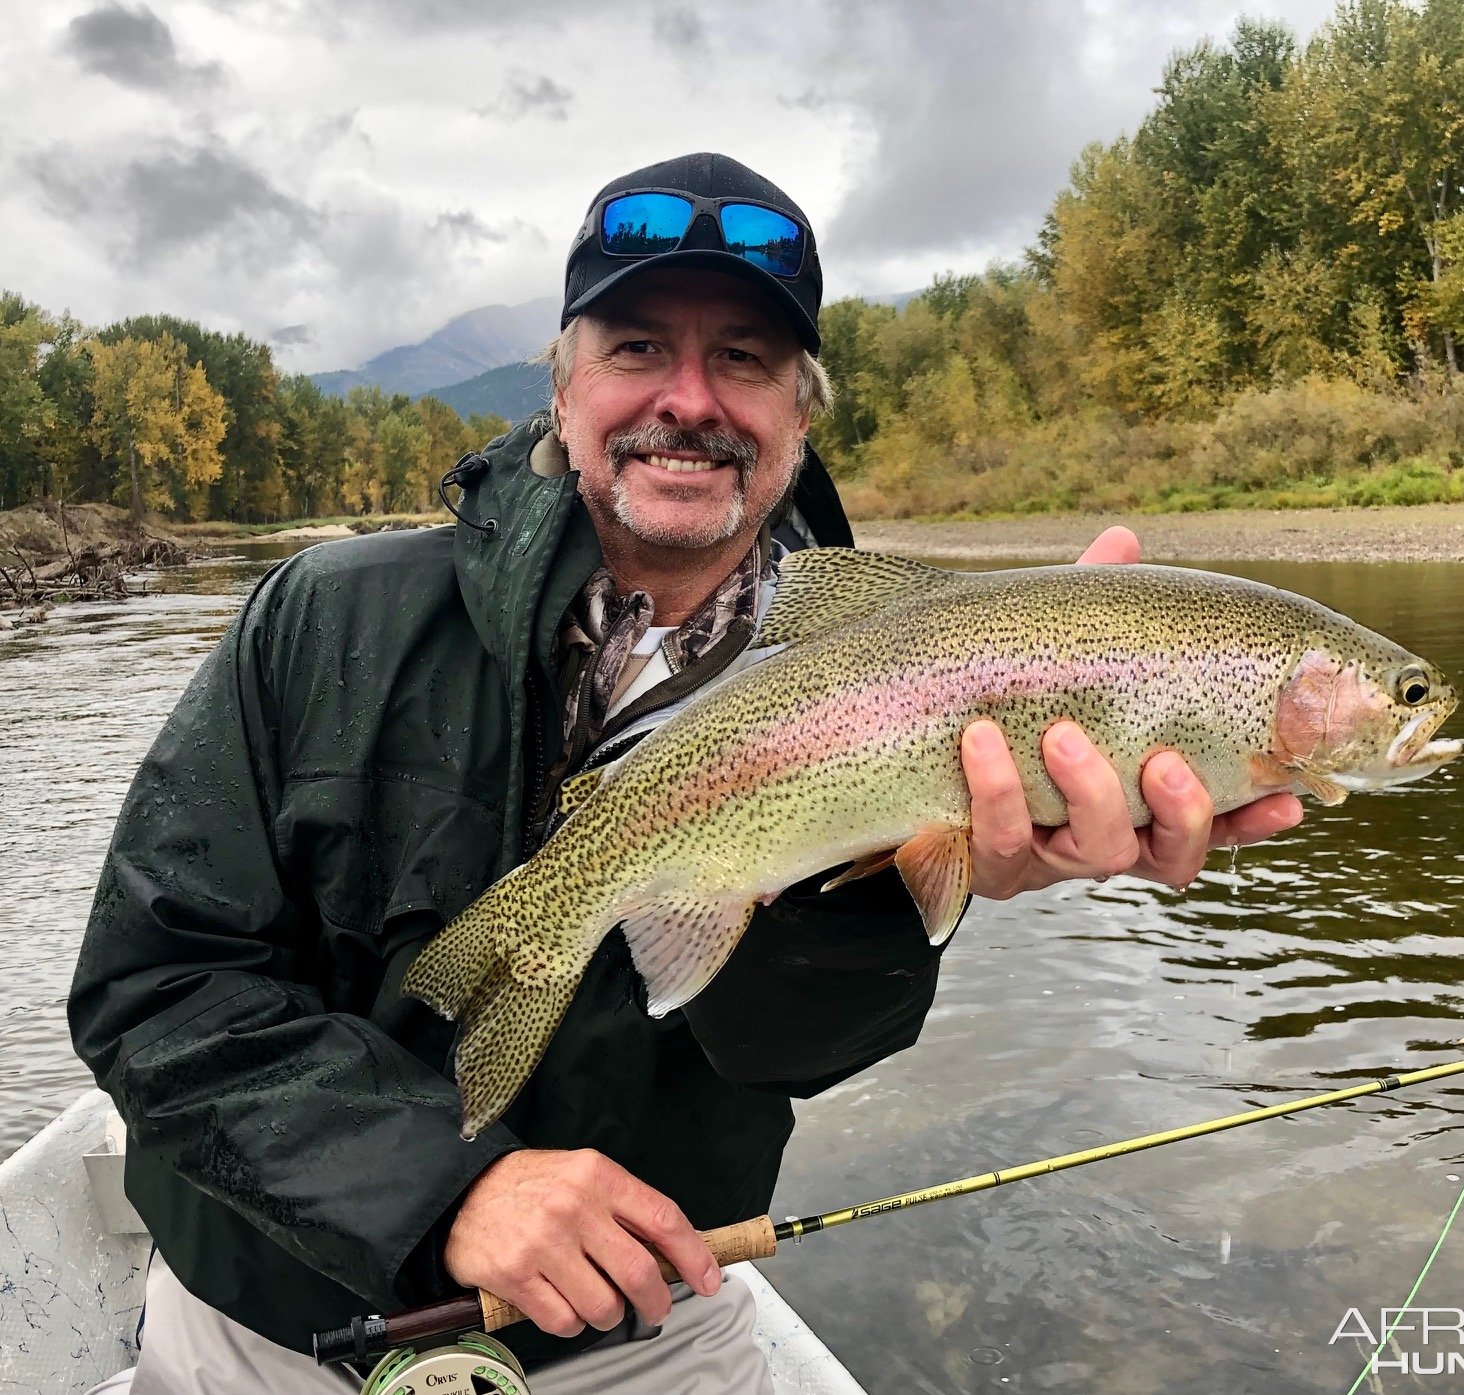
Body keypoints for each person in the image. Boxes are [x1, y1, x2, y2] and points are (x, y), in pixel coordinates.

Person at [67, 152, 1301, 1393]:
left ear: (800, 415)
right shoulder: (321, 620)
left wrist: (954, 876)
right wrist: (441, 1188)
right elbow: (154, 991)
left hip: (645, 1339)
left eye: (746, 360)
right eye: (638, 349)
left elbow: (789, 1053)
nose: (691, 399)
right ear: (562, 394)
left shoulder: (904, 664)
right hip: (262, 1320)